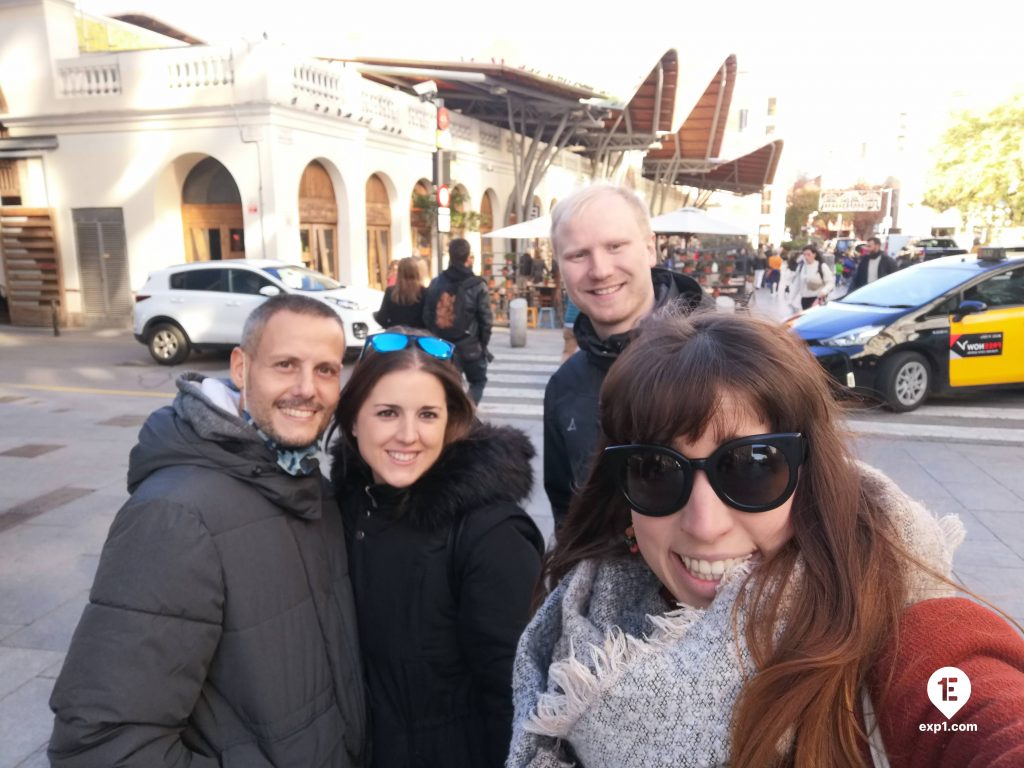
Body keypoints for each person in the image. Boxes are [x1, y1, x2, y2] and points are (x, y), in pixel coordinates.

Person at [510, 311, 1024, 768]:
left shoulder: (897, 626)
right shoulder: (575, 625)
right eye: (656, 471)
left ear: (811, 476)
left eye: (752, 467)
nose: (705, 524)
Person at [48, 294, 366, 768]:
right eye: (285, 364)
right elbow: (100, 744)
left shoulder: (303, 482)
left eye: (325, 370)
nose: (308, 388)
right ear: (241, 368)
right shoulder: (175, 515)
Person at [329, 329, 543, 768]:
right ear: (353, 421)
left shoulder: (490, 536)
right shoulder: (348, 504)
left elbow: (518, 703)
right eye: (387, 413)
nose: (408, 435)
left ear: (452, 422)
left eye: (428, 415)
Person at [543, 184, 711, 528]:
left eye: (615, 246)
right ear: (560, 267)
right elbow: (568, 513)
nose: (600, 270)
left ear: (650, 248)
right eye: (578, 255)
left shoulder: (729, 358)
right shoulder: (564, 387)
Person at [423, 238, 493, 404]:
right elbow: (486, 319)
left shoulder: (436, 282)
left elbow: (427, 314)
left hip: (442, 344)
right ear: (468, 257)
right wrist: (483, 343)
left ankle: (454, 416)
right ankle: (467, 412)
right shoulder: (477, 285)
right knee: (478, 381)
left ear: (450, 255)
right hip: (469, 343)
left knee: (448, 386)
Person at [374, 256, 426, 329]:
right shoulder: (424, 292)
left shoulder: (391, 291)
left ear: (399, 272)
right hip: (418, 337)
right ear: (416, 272)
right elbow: (428, 319)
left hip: (396, 336)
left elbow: (382, 319)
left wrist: (391, 326)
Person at [787, 244, 835, 311]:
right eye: (804, 254)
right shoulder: (801, 267)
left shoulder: (822, 266)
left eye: (808, 254)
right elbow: (796, 285)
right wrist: (790, 300)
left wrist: (824, 291)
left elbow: (830, 283)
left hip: (817, 300)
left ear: (814, 254)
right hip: (804, 300)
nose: (806, 257)